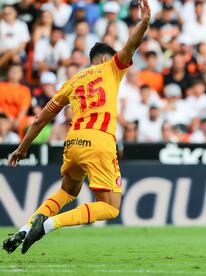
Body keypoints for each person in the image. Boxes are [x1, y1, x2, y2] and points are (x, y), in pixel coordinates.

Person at [2, 0, 151, 255]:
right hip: (100, 141)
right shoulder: (112, 67)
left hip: (73, 142)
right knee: (111, 207)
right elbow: (132, 45)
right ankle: (48, 225)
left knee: (67, 191)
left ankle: (26, 228)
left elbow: (40, 119)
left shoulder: (71, 81)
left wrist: (22, 148)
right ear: (104, 57)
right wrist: (143, 23)